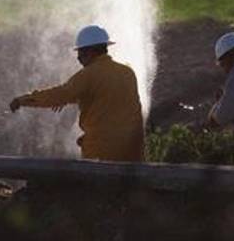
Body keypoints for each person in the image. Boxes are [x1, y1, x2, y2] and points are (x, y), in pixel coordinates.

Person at [9, 25, 145, 162]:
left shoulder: (88, 75)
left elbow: (60, 94)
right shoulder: (127, 72)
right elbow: (104, 96)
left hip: (102, 154)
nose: (78, 58)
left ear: (90, 51)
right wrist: (71, 99)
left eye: (80, 52)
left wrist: (24, 100)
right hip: (133, 154)